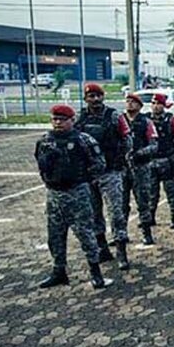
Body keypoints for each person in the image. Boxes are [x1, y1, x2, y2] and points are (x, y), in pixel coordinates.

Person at [35, 104, 108, 290]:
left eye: (62, 119)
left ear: (72, 121)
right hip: (54, 195)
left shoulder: (83, 140)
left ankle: (96, 272)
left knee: (85, 234)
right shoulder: (45, 141)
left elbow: (99, 164)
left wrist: (82, 179)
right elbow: (40, 165)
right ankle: (59, 271)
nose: (58, 123)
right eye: (55, 119)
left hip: (77, 194)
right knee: (55, 236)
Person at [75, 82, 132, 270]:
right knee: (93, 213)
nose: (95, 99)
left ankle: (121, 251)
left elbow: (127, 140)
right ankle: (102, 248)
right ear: (86, 99)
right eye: (91, 96)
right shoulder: (80, 118)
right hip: (89, 175)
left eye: (98, 96)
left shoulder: (114, 116)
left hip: (110, 172)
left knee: (116, 212)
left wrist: (118, 161)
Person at [121, 94, 159, 245]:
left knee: (143, 202)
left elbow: (154, 145)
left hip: (140, 167)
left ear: (140, 105)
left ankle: (146, 232)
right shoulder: (120, 120)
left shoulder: (146, 122)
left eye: (133, 102)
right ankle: (121, 234)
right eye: (128, 101)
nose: (130, 104)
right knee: (121, 204)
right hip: (122, 169)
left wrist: (139, 153)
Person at [149, 93, 174, 229]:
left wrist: (173, 154)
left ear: (163, 105)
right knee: (151, 191)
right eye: (153, 103)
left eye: (158, 103)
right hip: (151, 161)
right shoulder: (147, 120)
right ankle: (150, 216)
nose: (155, 106)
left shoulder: (171, 120)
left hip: (167, 160)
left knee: (171, 191)